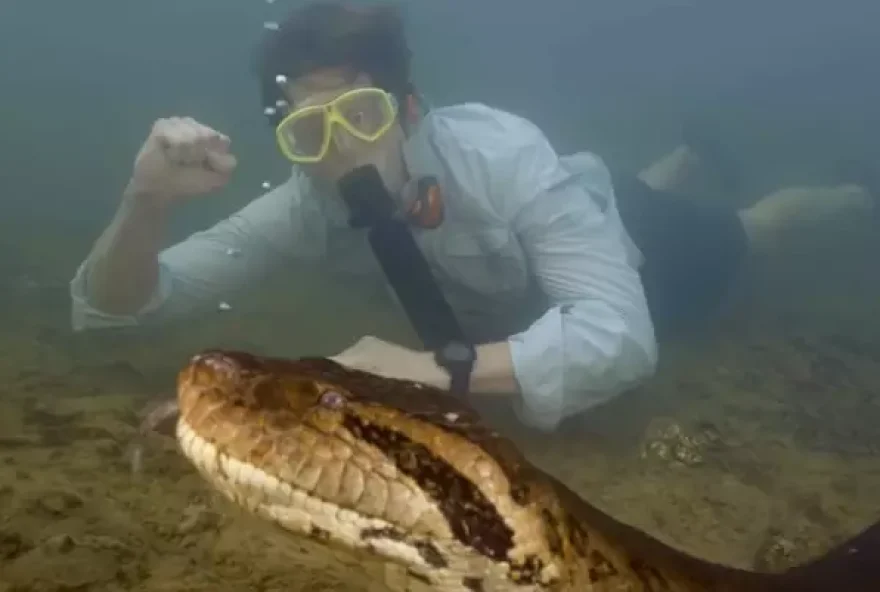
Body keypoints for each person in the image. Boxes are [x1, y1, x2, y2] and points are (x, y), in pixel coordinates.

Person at [69, 1, 875, 432]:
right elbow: (117, 308)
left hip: (633, 241)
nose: (341, 153)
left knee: (751, 232)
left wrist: (426, 369)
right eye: (311, 131)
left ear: (410, 108)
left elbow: (621, 338)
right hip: (556, 227)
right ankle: (683, 157)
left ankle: (848, 195)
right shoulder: (304, 208)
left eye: (361, 116)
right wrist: (146, 202)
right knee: (604, 186)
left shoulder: (501, 155)